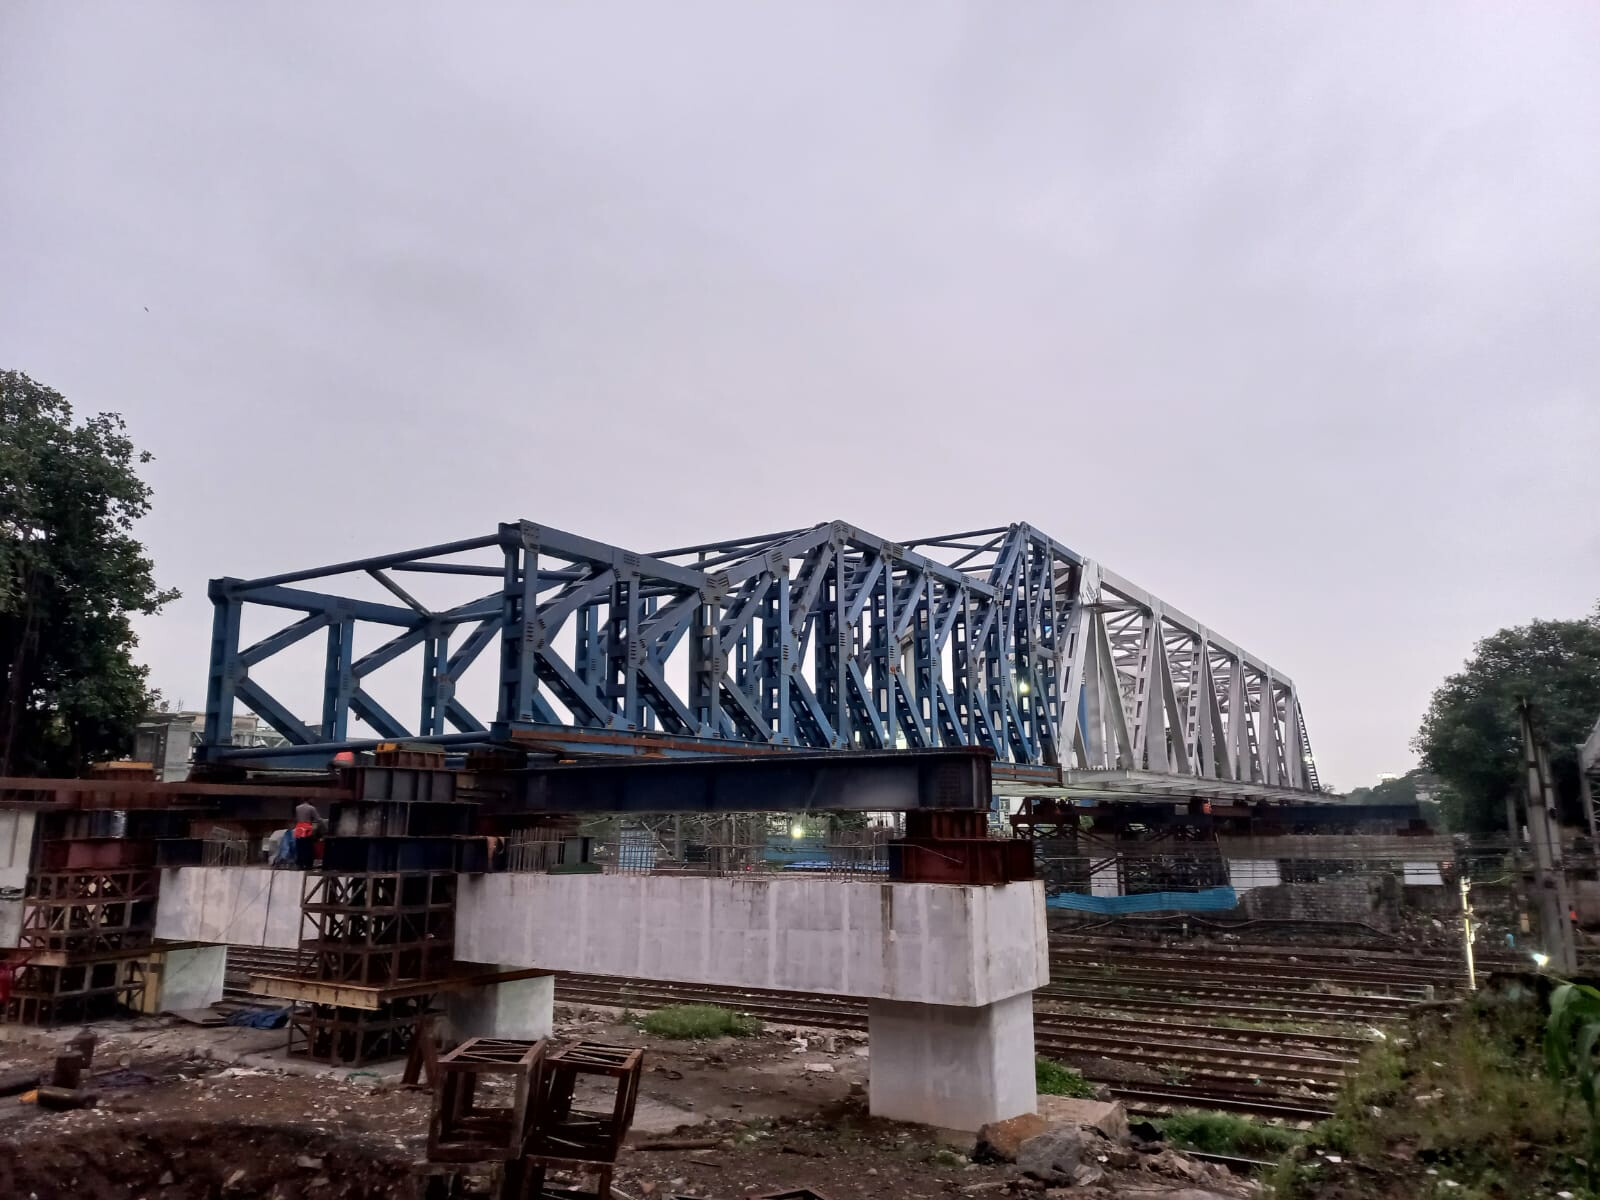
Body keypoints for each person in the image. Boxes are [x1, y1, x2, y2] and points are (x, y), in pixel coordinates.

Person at [294, 800, 321, 870]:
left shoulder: (297, 808)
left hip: (299, 827)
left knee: (300, 846)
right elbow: (318, 819)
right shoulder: (311, 808)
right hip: (306, 827)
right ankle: (308, 864)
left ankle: (299, 864)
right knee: (308, 846)